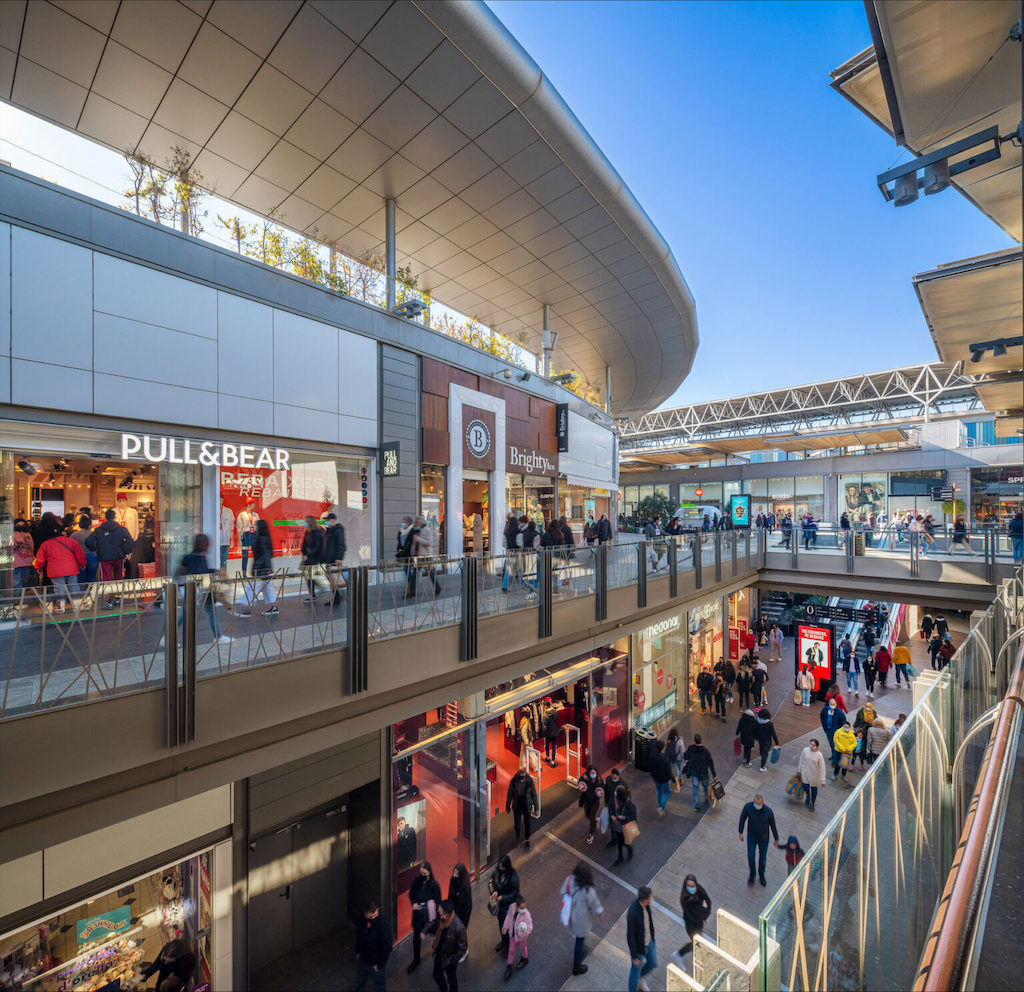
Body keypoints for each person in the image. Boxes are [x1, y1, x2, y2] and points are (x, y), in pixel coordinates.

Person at [175, 534, 232, 643]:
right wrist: (214, 571)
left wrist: (213, 571)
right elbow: (200, 574)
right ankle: (168, 636)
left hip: (201, 590)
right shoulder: (198, 557)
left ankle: (218, 636)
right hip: (199, 591)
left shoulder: (194, 556)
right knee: (189, 614)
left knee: (210, 612)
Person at [86, 508, 135, 603]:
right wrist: (125, 551)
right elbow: (130, 541)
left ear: (105, 518)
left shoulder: (99, 530)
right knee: (118, 577)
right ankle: (118, 597)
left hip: (104, 557)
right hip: (118, 556)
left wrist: (96, 549)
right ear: (115, 517)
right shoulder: (121, 529)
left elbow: (89, 541)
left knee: (106, 578)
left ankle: (107, 599)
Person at [33, 527, 86, 612]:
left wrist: (38, 567)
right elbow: (80, 554)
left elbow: (40, 558)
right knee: (74, 586)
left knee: (59, 588)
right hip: (71, 568)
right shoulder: (72, 541)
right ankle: (76, 605)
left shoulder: (46, 544)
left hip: (55, 569)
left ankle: (61, 606)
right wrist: (82, 563)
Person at [566, 861, 603, 976]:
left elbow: (564, 891)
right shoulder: (588, 890)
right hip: (582, 919)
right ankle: (576, 966)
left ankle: (579, 955)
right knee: (580, 939)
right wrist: (600, 912)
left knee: (579, 937)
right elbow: (595, 904)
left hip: (572, 914)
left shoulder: (570, 880)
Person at [236, 518, 278, 616]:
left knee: (252, 589)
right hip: (264, 569)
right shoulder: (264, 537)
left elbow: (265, 554)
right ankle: (273, 607)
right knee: (268, 588)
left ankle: (245, 608)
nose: (254, 527)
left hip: (261, 569)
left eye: (256, 525)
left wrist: (267, 568)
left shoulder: (261, 539)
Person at [407, 862, 442, 973]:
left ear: (429, 872)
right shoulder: (416, 881)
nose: (422, 875)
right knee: (416, 938)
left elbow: (438, 900)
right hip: (418, 915)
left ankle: (439, 952)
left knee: (437, 934)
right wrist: (413, 903)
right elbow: (411, 893)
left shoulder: (434, 884)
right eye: (421, 873)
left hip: (429, 917)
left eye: (424, 873)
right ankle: (416, 959)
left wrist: (429, 907)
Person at [739, 793, 779, 886]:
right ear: (753, 801)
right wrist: (740, 832)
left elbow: (773, 825)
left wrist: (776, 838)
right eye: (756, 803)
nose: (757, 805)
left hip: (763, 839)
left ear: (762, 803)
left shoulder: (768, 811)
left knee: (762, 858)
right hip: (752, 837)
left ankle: (761, 875)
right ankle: (752, 874)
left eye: (759, 804)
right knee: (751, 856)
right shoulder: (748, 807)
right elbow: (742, 819)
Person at [354, 900, 392, 992]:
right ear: (365, 913)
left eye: (374, 915)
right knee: (358, 982)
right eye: (369, 916)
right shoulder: (362, 919)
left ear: (378, 910)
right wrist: (358, 951)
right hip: (362, 959)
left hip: (375, 963)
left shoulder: (384, 925)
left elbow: (387, 947)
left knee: (379, 987)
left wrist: (380, 965)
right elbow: (359, 935)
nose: (372, 918)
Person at [674, 874, 711, 964]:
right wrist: (704, 908)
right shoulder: (687, 900)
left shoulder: (699, 890)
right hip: (692, 926)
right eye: (688, 886)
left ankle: (682, 953)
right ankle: (679, 953)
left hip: (698, 924)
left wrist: (704, 910)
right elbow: (697, 917)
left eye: (692, 886)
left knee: (697, 941)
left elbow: (708, 901)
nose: (690, 888)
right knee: (695, 942)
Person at [626, 886, 657, 992]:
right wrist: (634, 956)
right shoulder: (633, 913)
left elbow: (649, 920)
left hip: (650, 942)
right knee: (634, 975)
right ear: (645, 899)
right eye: (650, 897)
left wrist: (652, 931)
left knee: (653, 963)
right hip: (639, 949)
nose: (652, 898)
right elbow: (630, 936)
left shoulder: (646, 906)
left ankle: (641, 978)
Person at [432, 900, 467, 992]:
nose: (440, 916)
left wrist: (452, 960)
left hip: (449, 959)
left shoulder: (459, 928)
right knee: (436, 975)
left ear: (446, 914)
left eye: (441, 913)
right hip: (440, 952)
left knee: (451, 979)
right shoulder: (442, 919)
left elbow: (463, 949)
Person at [490, 856, 519, 954]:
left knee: (510, 925)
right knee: (501, 924)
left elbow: (514, 894)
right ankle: (504, 940)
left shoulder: (513, 877)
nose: (500, 868)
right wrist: (493, 891)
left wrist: (503, 897)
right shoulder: (496, 872)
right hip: (500, 906)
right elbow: (491, 882)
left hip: (509, 907)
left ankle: (511, 942)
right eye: (499, 866)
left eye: (502, 867)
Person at [506, 764, 538, 851]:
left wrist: (536, 808)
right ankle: (518, 837)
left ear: (525, 772)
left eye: (523, 773)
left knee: (527, 824)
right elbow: (510, 794)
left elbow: (534, 795)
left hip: (526, 805)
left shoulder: (530, 781)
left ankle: (527, 840)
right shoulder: (514, 781)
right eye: (520, 772)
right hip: (517, 805)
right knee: (517, 823)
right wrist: (507, 806)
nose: (522, 774)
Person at [500, 892, 532, 979]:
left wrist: (520, 933)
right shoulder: (512, 907)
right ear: (516, 906)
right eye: (521, 908)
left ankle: (525, 958)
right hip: (512, 935)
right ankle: (509, 966)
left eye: (524, 907)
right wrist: (505, 927)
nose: (523, 909)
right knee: (511, 950)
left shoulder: (526, 915)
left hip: (521, 937)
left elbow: (529, 928)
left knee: (522, 948)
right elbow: (508, 917)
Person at [683, 733, 716, 811]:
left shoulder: (691, 748)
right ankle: (706, 798)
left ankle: (696, 806)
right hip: (704, 773)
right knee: (705, 787)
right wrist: (714, 775)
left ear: (694, 741)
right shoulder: (706, 751)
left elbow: (686, 756)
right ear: (701, 740)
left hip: (694, 772)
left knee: (695, 788)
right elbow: (710, 763)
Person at [322, 511, 347, 603]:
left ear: (333, 520)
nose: (327, 522)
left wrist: (339, 557)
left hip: (334, 560)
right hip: (328, 559)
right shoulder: (329, 530)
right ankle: (337, 597)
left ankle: (337, 597)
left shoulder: (338, 530)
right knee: (331, 579)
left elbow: (341, 545)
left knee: (335, 579)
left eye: (328, 520)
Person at [300, 515, 327, 603]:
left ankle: (313, 594)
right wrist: (304, 553)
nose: (305, 523)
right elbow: (304, 544)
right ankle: (315, 591)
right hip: (308, 557)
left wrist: (308, 555)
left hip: (314, 557)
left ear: (310, 523)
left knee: (309, 576)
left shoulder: (317, 532)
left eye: (306, 522)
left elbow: (317, 546)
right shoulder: (307, 532)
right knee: (309, 576)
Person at [610, 784, 638, 865]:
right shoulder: (615, 799)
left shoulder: (629, 804)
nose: (615, 793)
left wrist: (623, 817)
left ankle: (629, 849)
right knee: (620, 841)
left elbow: (633, 816)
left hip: (626, 826)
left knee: (625, 841)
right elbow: (611, 807)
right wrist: (612, 815)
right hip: (619, 826)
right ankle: (620, 856)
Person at [798, 739, 827, 812]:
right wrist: (799, 770)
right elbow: (801, 759)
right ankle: (808, 796)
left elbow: (822, 768)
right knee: (805, 786)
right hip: (805, 772)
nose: (811, 746)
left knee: (814, 790)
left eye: (813, 745)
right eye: (810, 744)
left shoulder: (819, 755)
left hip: (815, 775)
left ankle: (812, 803)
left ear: (817, 747)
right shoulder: (805, 750)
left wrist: (823, 780)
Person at [70, 514, 98, 589]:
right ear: (89, 525)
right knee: (92, 577)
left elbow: (70, 546)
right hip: (93, 556)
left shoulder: (74, 535)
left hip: (80, 557)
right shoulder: (94, 534)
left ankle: (82, 593)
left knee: (81, 578)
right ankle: (94, 592)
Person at [578, 765, 603, 843]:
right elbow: (580, 781)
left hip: (595, 801)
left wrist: (599, 791)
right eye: (591, 773)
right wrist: (581, 785)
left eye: (594, 773)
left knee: (591, 817)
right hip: (587, 800)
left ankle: (590, 834)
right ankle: (595, 821)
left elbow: (602, 786)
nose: (593, 774)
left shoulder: (598, 779)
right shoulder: (585, 777)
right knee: (587, 815)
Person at [649, 738, 673, 813]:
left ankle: (660, 805)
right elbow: (669, 771)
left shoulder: (652, 755)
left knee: (658, 791)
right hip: (664, 779)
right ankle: (661, 806)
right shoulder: (665, 758)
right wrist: (673, 779)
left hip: (656, 777)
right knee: (666, 793)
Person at [11, 519, 35, 591]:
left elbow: (12, 547)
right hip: (27, 560)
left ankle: (19, 596)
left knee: (17, 583)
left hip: (17, 561)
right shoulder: (28, 535)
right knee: (24, 582)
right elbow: (31, 547)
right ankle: (22, 596)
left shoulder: (14, 535)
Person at [820, 697, 844, 766]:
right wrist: (824, 726)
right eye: (831, 704)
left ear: (836, 704)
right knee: (831, 744)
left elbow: (843, 722)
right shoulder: (825, 709)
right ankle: (833, 756)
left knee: (834, 746)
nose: (832, 705)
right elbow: (822, 716)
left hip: (835, 732)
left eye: (833, 704)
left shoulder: (839, 713)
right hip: (828, 730)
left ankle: (835, 760)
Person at [754, 707, 779, 771]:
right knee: (765, 753)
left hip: (760, 739)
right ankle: (762, 766)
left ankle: (762, 757)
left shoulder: (757, 721)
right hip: (767, 740)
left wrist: (756, 737)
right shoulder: (769, 724)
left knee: (762, 749)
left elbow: (754, 730)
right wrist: (776, 743)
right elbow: (773, 733)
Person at [540, 697, 560, 767]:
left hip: (548, 733)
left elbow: (544, 726)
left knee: (547, 745)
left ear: (545, 706)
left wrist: (543, 733)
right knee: (554, 747)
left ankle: (548, 757)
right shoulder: (555, 712)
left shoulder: (545, 715)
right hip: (554, 732)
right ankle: (553, 761)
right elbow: (556, 720)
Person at [667, 727, 686, 791]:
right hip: (678, 758)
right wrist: (684, 759)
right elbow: (682, 752)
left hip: (671, 757)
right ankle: (680, 780)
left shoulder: (668, 740)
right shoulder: (680, 741)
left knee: (671, 770)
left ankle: (668, 782)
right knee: (679, 769)